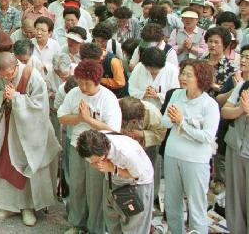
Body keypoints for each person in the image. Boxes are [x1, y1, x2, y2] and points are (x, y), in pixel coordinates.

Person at [0, 51, 60, 227]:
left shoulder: (33, 77)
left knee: (27, 162)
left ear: (15, 67)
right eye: (0, 73)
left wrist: (17, 99)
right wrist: (0, 96)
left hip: (29, 131)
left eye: (6, 74)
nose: (2, 77)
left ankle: (28, 207)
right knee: (6, 162)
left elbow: (40, 106)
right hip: (6, 127)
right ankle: (7, 205)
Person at [58, 59, 122, 234]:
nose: (83, 87)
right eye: (80, 82)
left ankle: (95, 228)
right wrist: (79, 118)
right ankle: (76, 223)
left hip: (98, 151)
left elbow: (113, 128)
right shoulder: (73, 93)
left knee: (95, 191)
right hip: (76, 146)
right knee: (77, 186)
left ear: (97, 81)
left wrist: (88, 120)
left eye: (87, 84)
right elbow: (62, 117)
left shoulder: (108, 98)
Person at [161, 60, 220, 234]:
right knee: (172, 203)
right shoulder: (176, 95)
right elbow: (164, 120)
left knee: (196, 205)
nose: (183, 78)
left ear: (200, 78)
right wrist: (175, 121)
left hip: (195, 160)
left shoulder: (209, 105)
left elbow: (207, 137)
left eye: (189, 75)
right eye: (183, 73)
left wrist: (182, 123)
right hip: (172, 154)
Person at [75, 129, 155, 234]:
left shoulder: (126, 153)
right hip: (112, 181)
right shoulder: (91, 144)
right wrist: (101, 165)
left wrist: (113, 168)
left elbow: (137, 175)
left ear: (105, 151)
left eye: (98, 160)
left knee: (134, 226)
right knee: (112, 221)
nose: (95, 163)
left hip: (137, 184)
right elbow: (93, 162)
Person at [221, 46, 249, 234]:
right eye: (244, 56)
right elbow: (225, 111)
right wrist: (241, 110)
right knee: (235, 196)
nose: (244, 60)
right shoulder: (242, 85)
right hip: (236, 145)